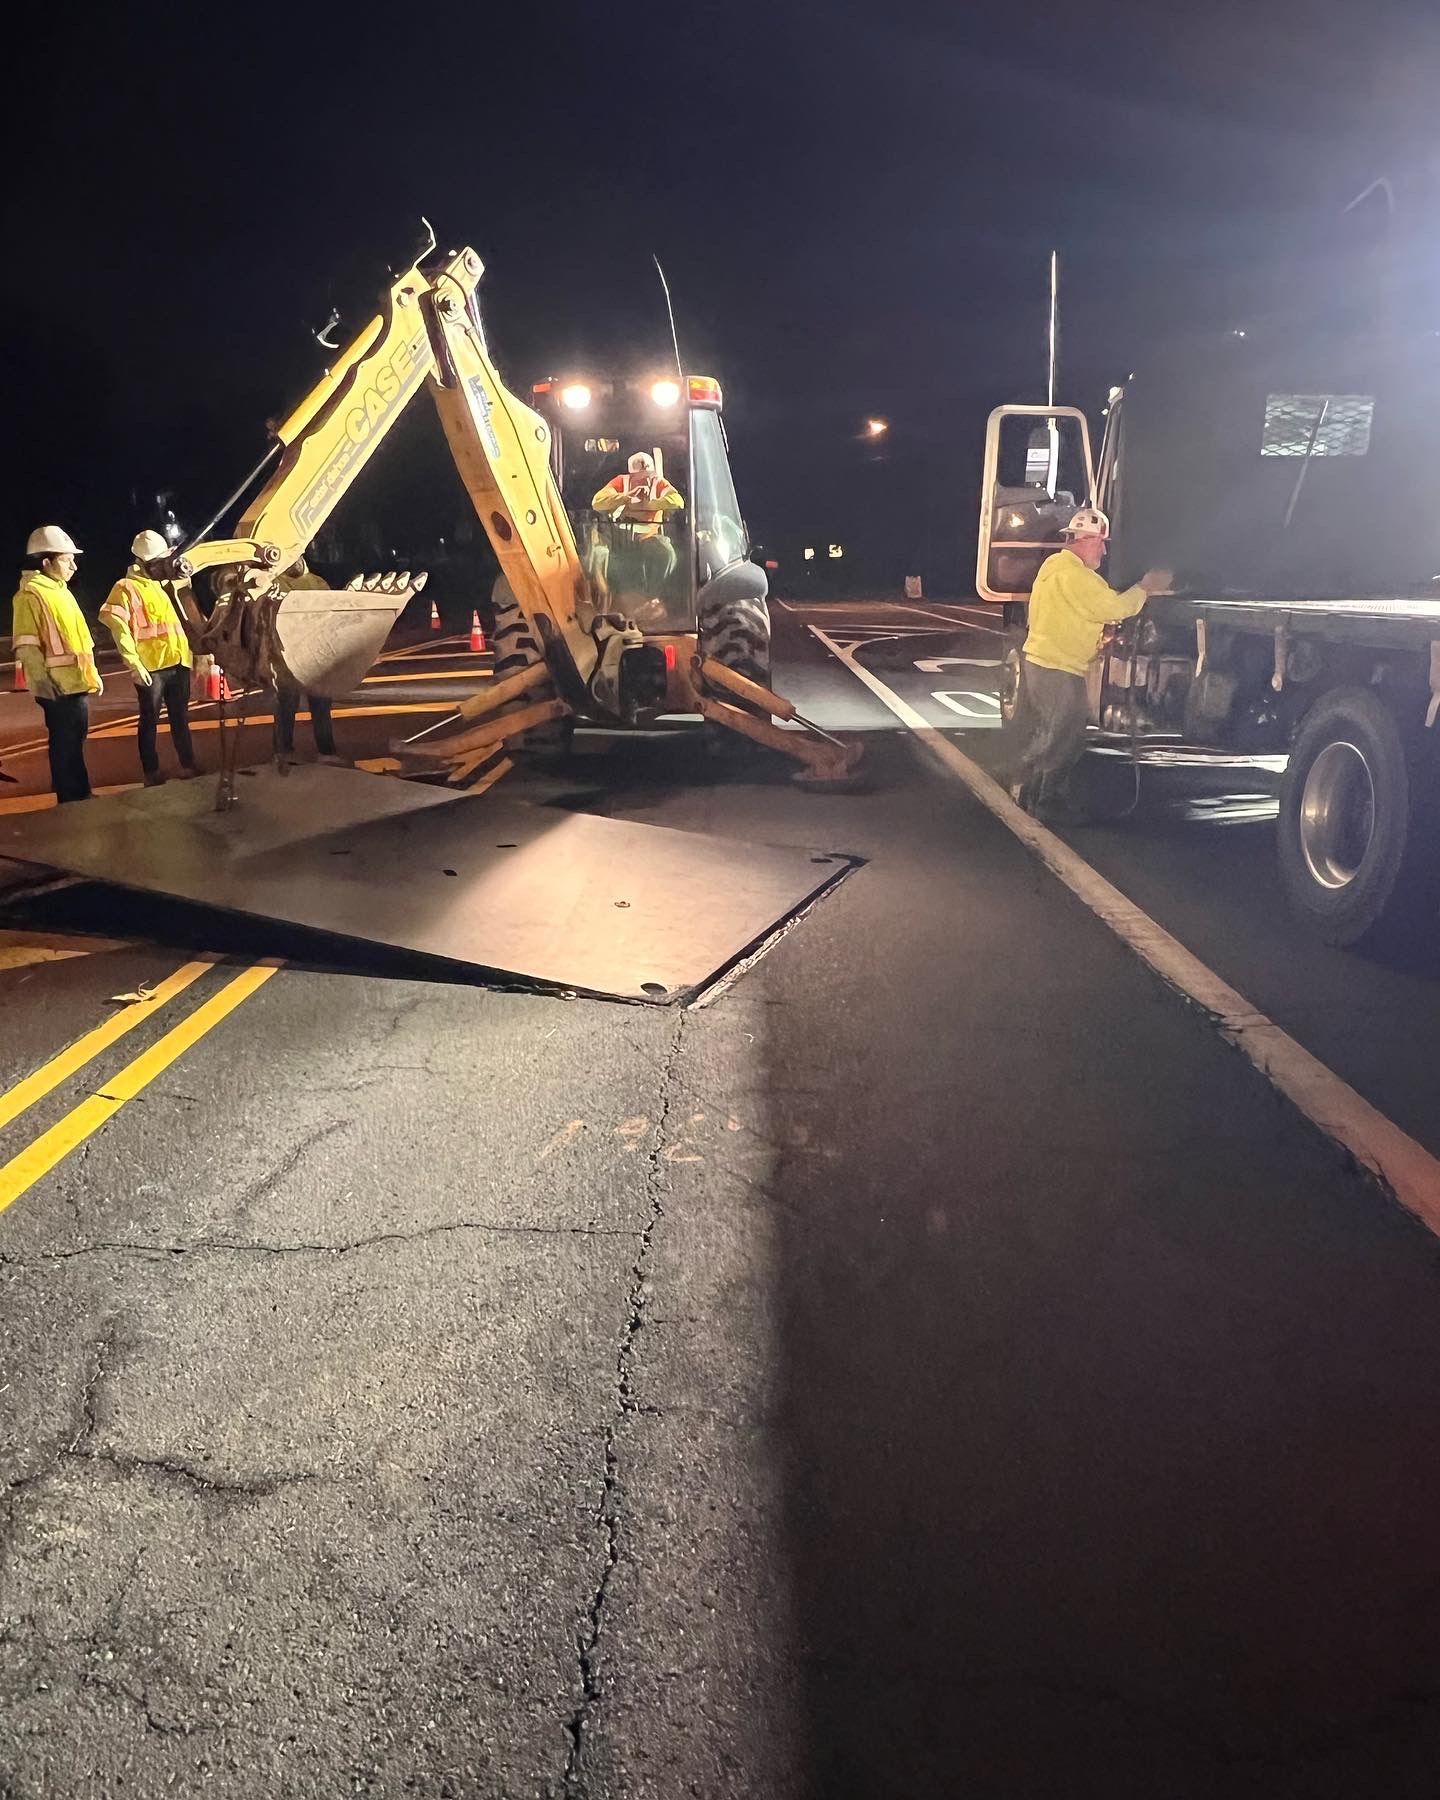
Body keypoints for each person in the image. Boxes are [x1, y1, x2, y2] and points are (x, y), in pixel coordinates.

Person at [1013, 507, 1171, 823]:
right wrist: (1145, 587)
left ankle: (1031, 791)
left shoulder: (1054, 568)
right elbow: (1114, 607)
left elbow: (1081, 612)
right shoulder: (1075, 576)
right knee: (1067, 736)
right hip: (1057, 667)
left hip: (1046, 664)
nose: (1104, 551)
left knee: (1059, 732)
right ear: (1085, 540)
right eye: (1101, 542)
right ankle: (1043, 799)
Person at [99, 529, 200, 786]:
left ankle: (188, 764)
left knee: (180, 718)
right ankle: (151, 772)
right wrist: (134, 665)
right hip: (151, 667)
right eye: (159, 562)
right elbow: (120, 631)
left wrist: (196, 654)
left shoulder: (162, 585)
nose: (164, 566)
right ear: (145, 563)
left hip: (178, 662)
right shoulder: (125, 588)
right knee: (149, 721)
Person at [10, 526, 102, 803]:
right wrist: (41, 683)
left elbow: (80, 642)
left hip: (76, 682)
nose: (74, 566)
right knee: (65, 745)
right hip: (57, 687)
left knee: (74, 743)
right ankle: (71, 798)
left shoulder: (62, 592)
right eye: (66, 559)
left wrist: (93, 675)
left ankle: (79, 793)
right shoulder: (30, 595)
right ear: (46, 562)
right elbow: (27, 645)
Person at [273, 557, 344, 768]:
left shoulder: (318, 582)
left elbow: (332, 615)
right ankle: (283, 751)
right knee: (287, 704)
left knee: (320, 704)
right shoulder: (276, 583)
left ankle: (325, 750)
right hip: (288, 654)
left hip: (316, 652)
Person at [591, 451, 685, 595]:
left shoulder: (658, 483)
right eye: (639, 477)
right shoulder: (621, 481)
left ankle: (653, 595)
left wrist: (651, 504)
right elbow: (597, 502)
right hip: (620, 541)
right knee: (603, 560)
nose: (643, 480)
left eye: (647, 475)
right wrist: (625, 498)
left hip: (650, 538)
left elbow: (678, 502)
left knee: (666, 553)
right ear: (631, 474)